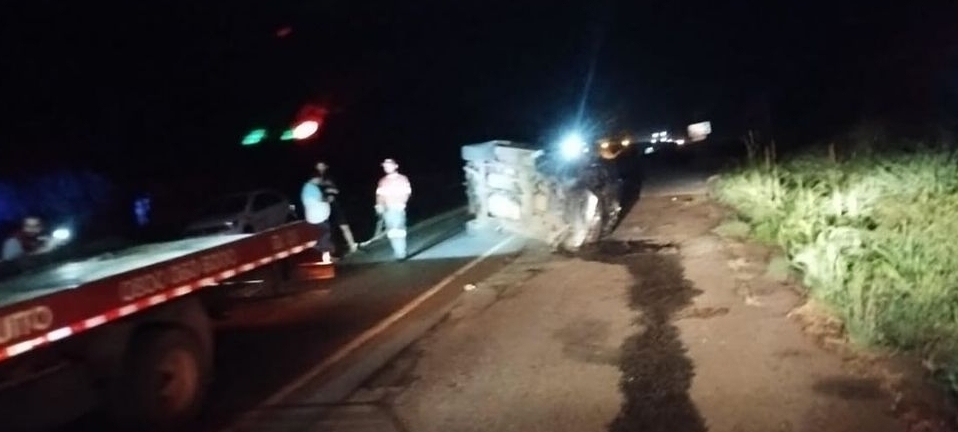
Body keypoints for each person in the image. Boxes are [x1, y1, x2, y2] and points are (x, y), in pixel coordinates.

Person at [316, 161, 358, 253]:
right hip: (324, 208)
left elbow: (337, 190)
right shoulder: (315, 181)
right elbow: (317, 195)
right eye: (319, 166)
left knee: (344, 226)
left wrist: (331, 194)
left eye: (322, 166)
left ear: (326, 167)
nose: (321, 168)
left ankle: (352, 245)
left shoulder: (331, 178)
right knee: (328, 230)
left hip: (336, 206)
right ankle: (331, 251)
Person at [375, 158, 412, 260]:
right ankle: (397, 251)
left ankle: (401, 253)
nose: (387, 167)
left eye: (389, 165)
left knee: (399, 230)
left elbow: (407, 192)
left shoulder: (402, 179)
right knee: (391, 232)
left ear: (396, 166)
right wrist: (379, 205)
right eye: (385, 166)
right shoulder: (382, 181)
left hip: (398, 208)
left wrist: (402, 204)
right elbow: (379, 195)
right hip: (387, 209)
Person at [300, 176, 334, 261]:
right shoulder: (311, 188)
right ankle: (325, 256)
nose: (319, 181)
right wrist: (328, 199)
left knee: (321, 236)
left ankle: (323, 254)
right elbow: (320, 199)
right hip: (318, 218)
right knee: (324, 235)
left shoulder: (307, 188)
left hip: (314, 217)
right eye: (318, 179)